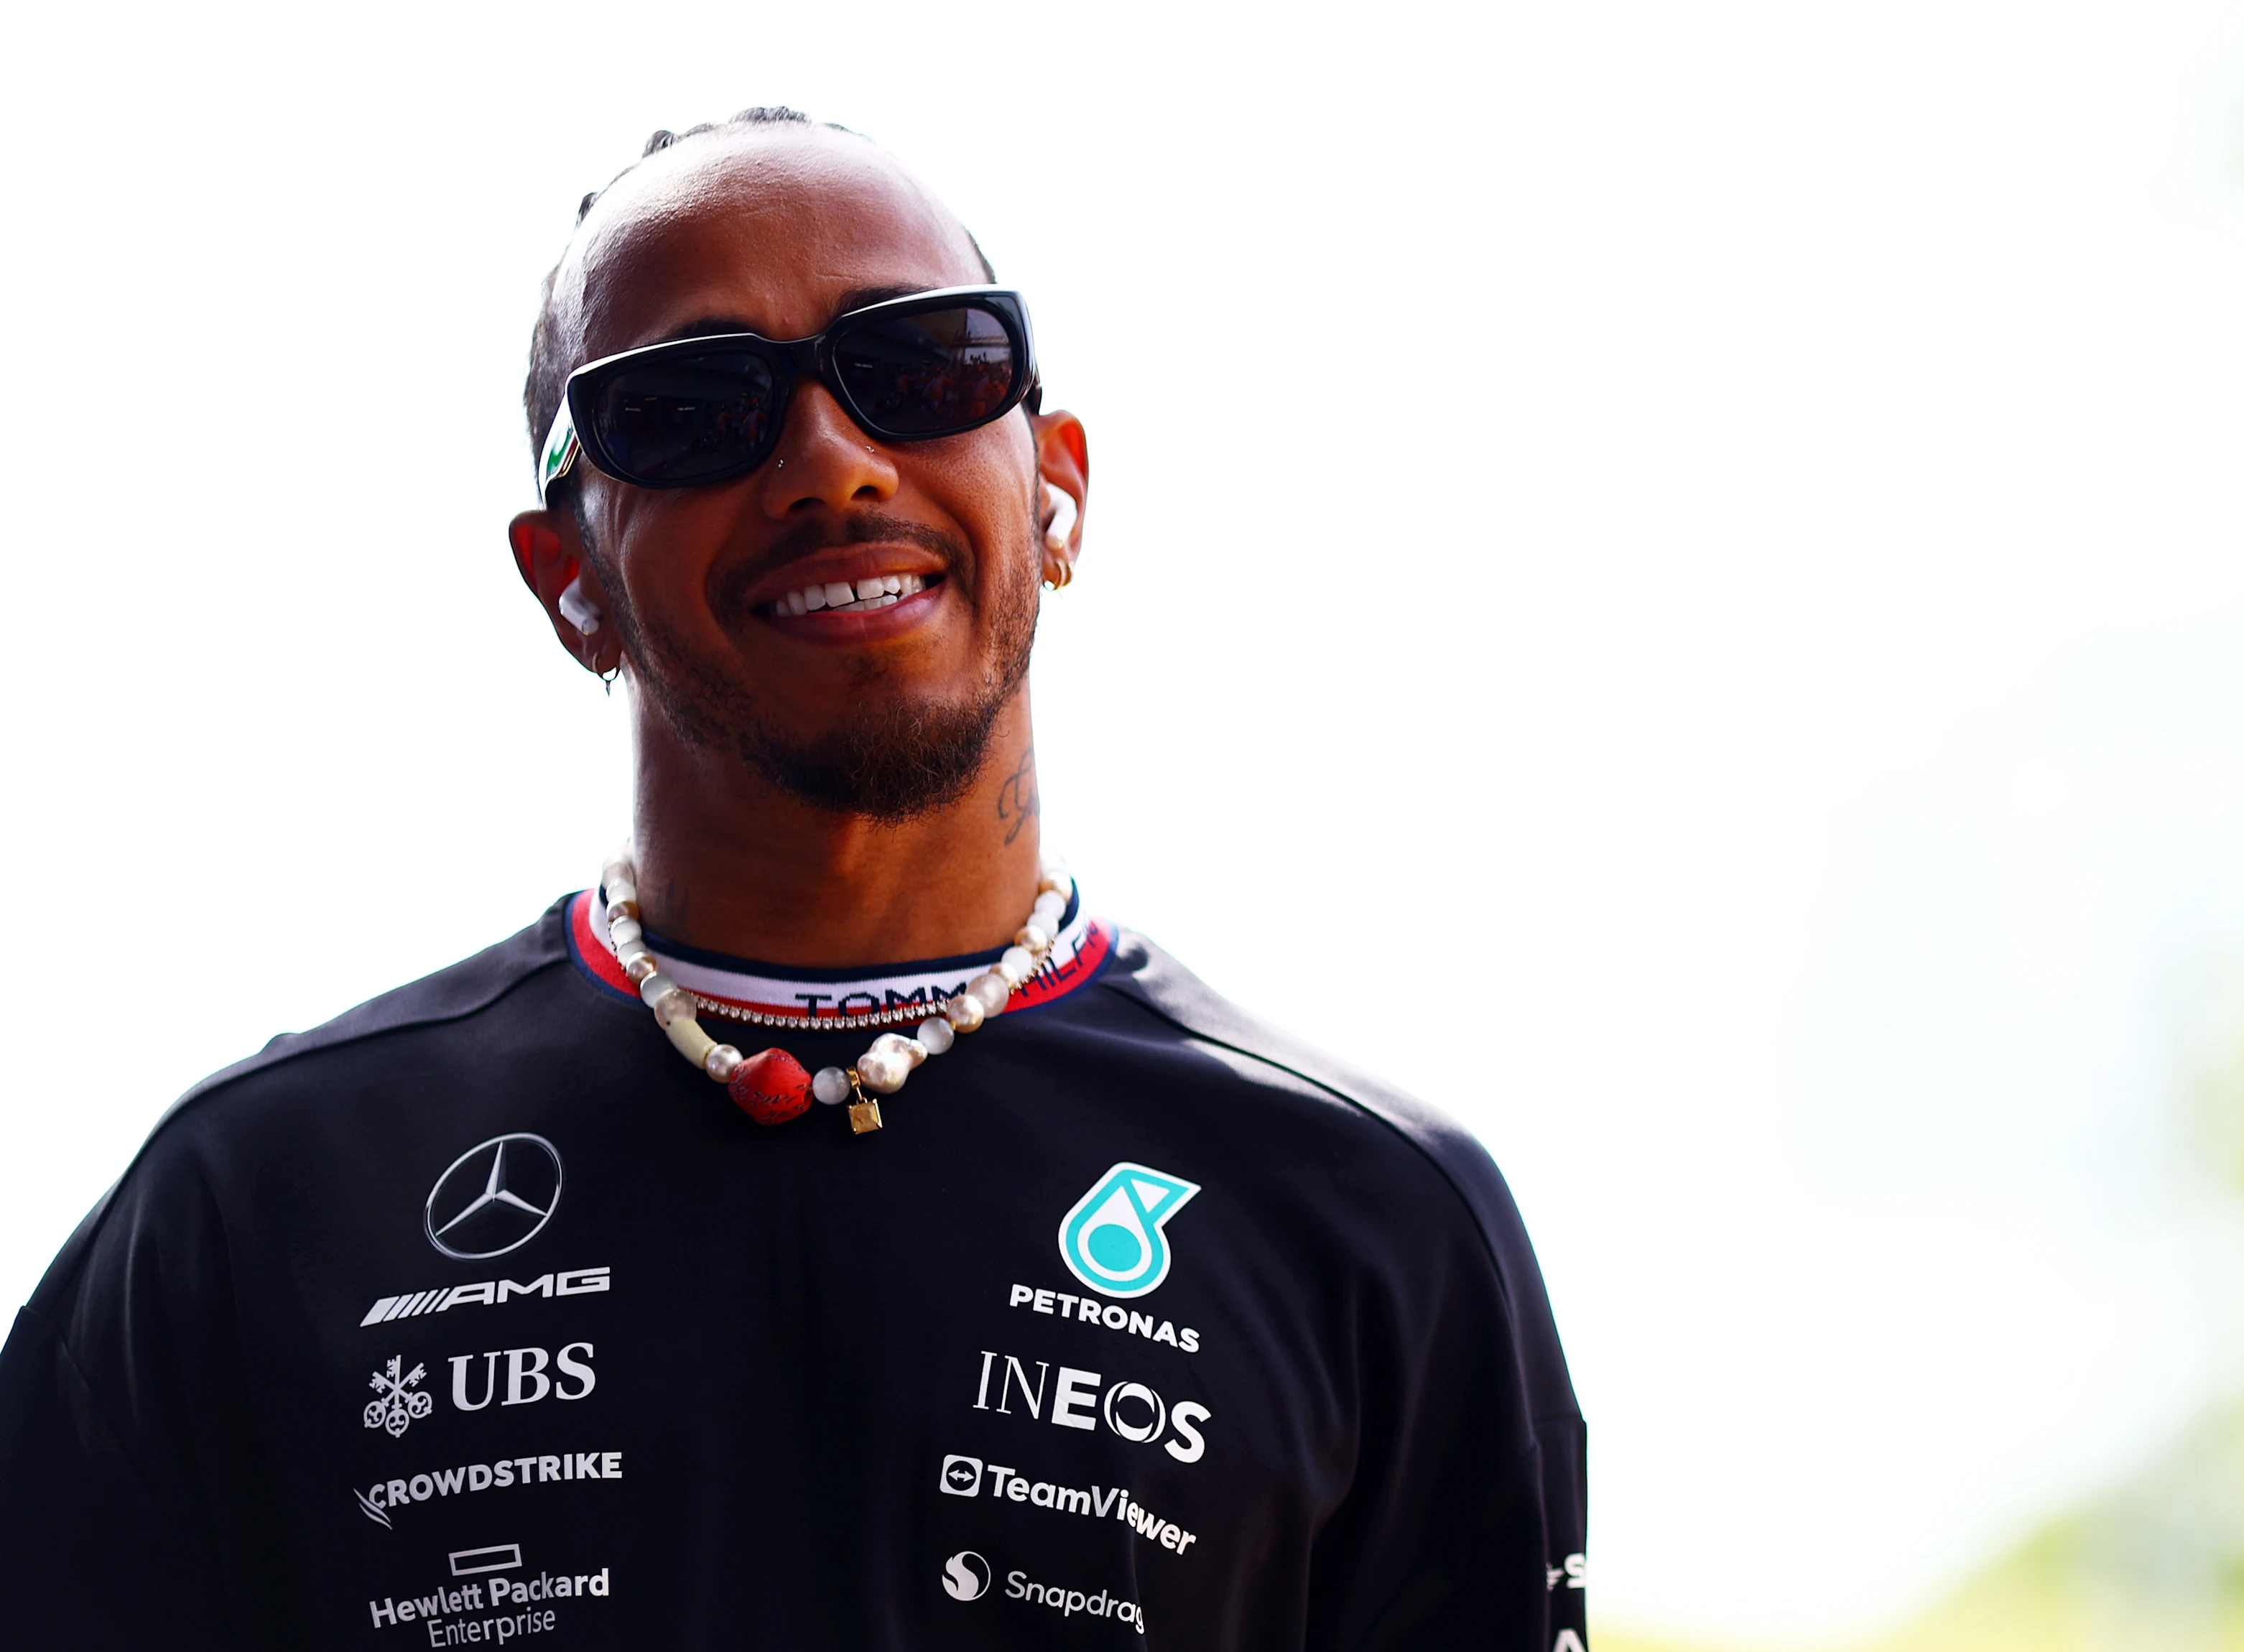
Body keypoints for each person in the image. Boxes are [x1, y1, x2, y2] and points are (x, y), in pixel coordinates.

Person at [0, 108, 1587, 1650]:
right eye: (691, 407)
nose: (833, 461)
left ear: (1058, 490)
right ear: (569, 583)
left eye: (924, 367)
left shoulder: (1375, 1225)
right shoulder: (247, 1210)